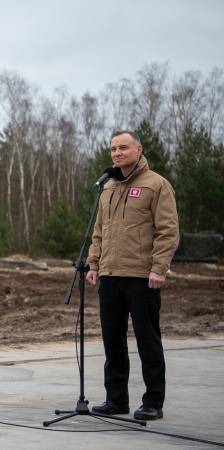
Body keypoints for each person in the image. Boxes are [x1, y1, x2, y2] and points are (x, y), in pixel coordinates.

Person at [86, 130, 179, 421]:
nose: (117, 153)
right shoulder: (108, 187)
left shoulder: (157, 185)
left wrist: (158, 268)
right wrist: (93, 263)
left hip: (142, 277)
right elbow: (99, 231)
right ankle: (116, 400)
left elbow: (168, 231)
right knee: (113, 341)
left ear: (138, 150)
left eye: (123, 147)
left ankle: (153, 401)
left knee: (147, 340)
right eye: (113, 148)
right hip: (110, 276)